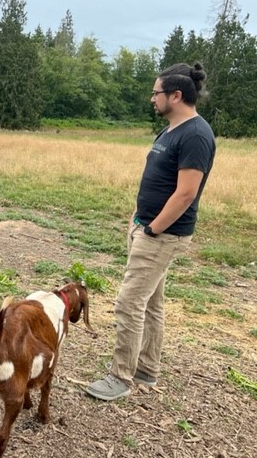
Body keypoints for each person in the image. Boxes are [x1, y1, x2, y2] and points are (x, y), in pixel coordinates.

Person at [85, 63, 216, 401]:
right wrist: (137, 217)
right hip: (147, 228)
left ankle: (121, 376)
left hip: (162, 236)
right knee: (152, 302)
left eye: (156, 92)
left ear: (176, 95)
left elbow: (186, 192)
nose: (151, 98)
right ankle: (146, 367)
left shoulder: (196, 135)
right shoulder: (171, 131)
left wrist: (154, 229)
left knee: (129, 303)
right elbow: (157, 180)